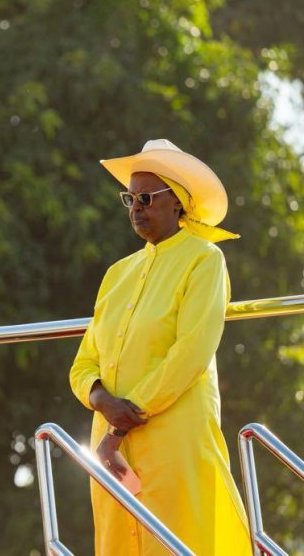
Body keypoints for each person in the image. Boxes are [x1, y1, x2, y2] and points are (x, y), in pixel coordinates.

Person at [69, 139, 250, 555]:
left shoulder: (204, 259)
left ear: (178, 202)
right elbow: (84, 363)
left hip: (172, 437)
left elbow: (191, 353)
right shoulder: (117, 273)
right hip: (109, 442)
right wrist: (100, 399)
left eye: (147, 198)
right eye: (130, 198)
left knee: (179, 538)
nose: (136, 207)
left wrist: (122, 419)